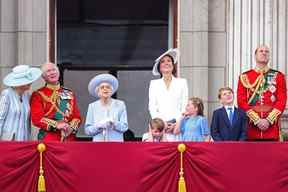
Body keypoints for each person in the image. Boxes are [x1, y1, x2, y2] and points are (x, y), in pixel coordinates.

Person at [237, 45, 287, 141]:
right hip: (251, 129)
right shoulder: (245, 77)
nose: (264, 53)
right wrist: (257, 120)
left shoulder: (278, 76)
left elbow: (282, 101)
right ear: (255, 56)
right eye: (261, 51)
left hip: (272, 129)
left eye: (267, 51)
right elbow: (241, 101)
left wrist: (269, 120)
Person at [30, 62, 81, 142]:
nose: (52, 73)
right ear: (43, 77)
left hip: (68, 138)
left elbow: (77, 117)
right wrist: (57, 125)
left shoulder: (69, 93)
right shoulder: (38, 95)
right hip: (48, 139)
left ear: (58, 72)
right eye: (48, 71)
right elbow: (37, 118)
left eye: (53, 70)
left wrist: (70, 128)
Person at [149, 48, 188, 141]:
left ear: (173, 65)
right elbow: (152, 107)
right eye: (163, 61)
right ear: (159, 67)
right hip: (160, 129)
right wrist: (161, 124)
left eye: (169, 61)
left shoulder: (182, 82)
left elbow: (185, 105)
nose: (166, 63)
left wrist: (177, 123)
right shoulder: (154, 84)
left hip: (177, 127)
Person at [0, 65, 42, 141]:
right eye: (27, 80)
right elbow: (1, 118)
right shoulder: (7, 94)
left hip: (25, 139)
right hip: (8, 140)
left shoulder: (27, 96)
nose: (30, 82)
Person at [84, 74, 128, 141]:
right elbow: (87, 130)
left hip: (116, 145)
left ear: (111, 91)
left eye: (108, 87)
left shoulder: (120, 105)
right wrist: (98, 126)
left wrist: (114, 123)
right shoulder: (92, 106)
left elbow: (125, 127)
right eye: (102, 87)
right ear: (98, 91)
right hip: (98, 146)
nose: (105, 89)